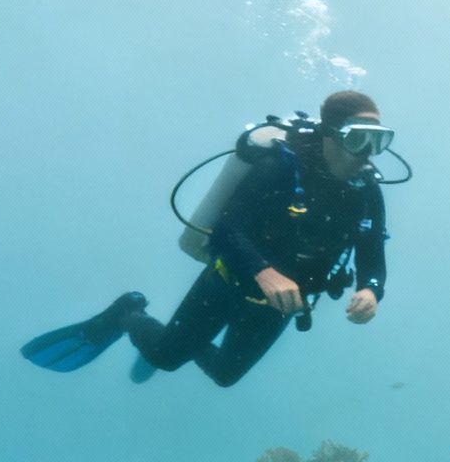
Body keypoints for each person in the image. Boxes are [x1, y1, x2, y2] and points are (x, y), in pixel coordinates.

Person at [22, 91, 393, 387]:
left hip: (281, 306)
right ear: (329, 134)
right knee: (166, 359)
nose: (367, 153)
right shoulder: (277, 169)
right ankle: (127, 313)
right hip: (227, 283)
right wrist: (264, 272)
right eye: (358, 139)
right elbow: (227, 231)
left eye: (378, 142)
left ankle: (180, 340)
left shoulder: (366, 191)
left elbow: (372, 253)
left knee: (225, 376)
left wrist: (370, 291)